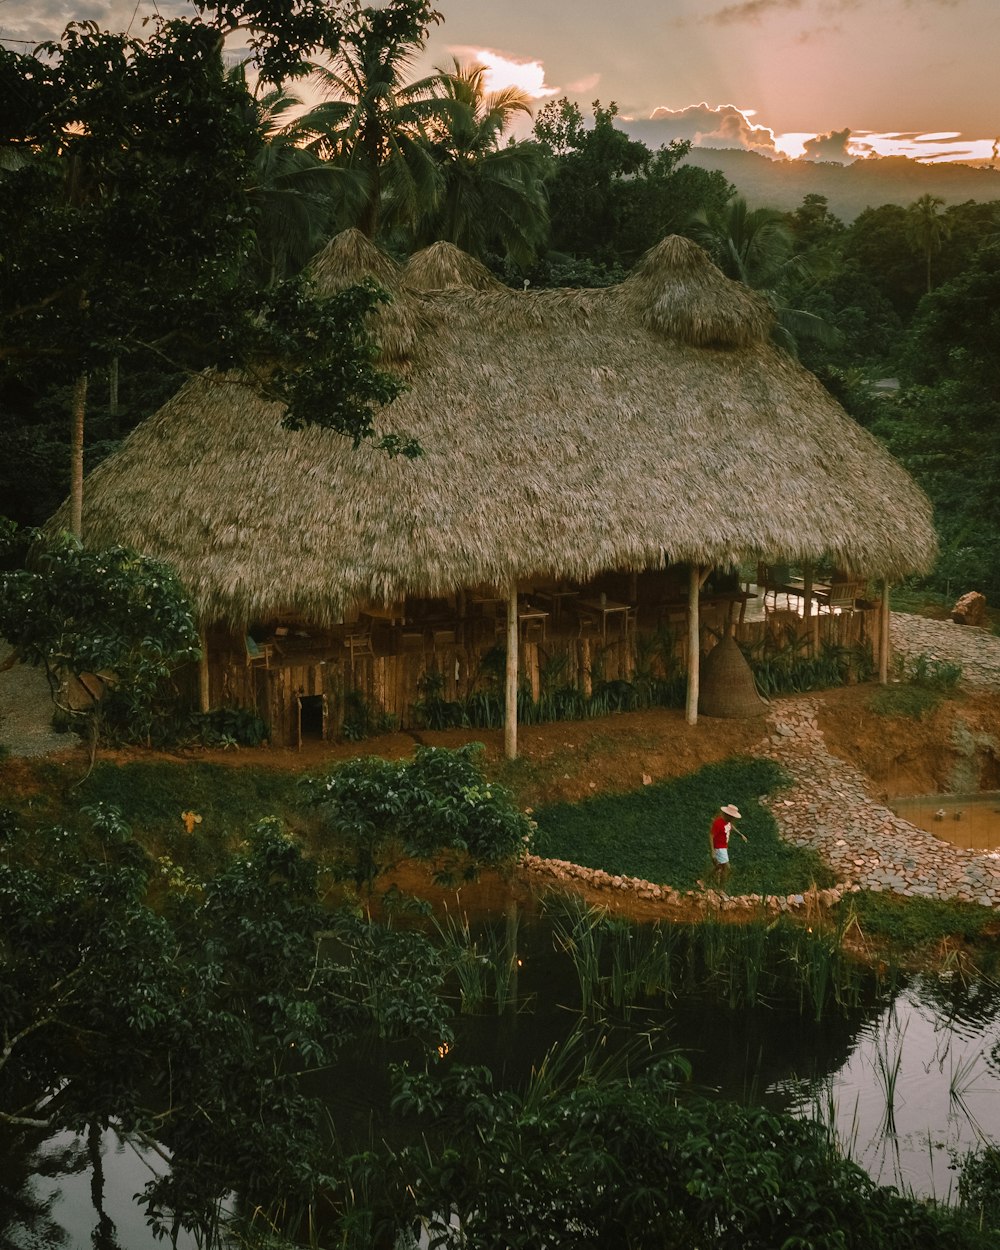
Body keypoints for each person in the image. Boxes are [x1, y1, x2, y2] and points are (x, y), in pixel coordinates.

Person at [709, 803, 745, 884]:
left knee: (719, 866)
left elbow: (731, 827)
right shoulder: (718, 823)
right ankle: (721, 889)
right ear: (727, 815)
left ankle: (704, 881)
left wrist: (740, 834)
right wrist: (713, 851)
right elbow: (711, 835)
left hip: (724, 847)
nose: (733, 819)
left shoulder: (728, 822)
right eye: (732, 817)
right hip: (719, 847)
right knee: (727, 868)